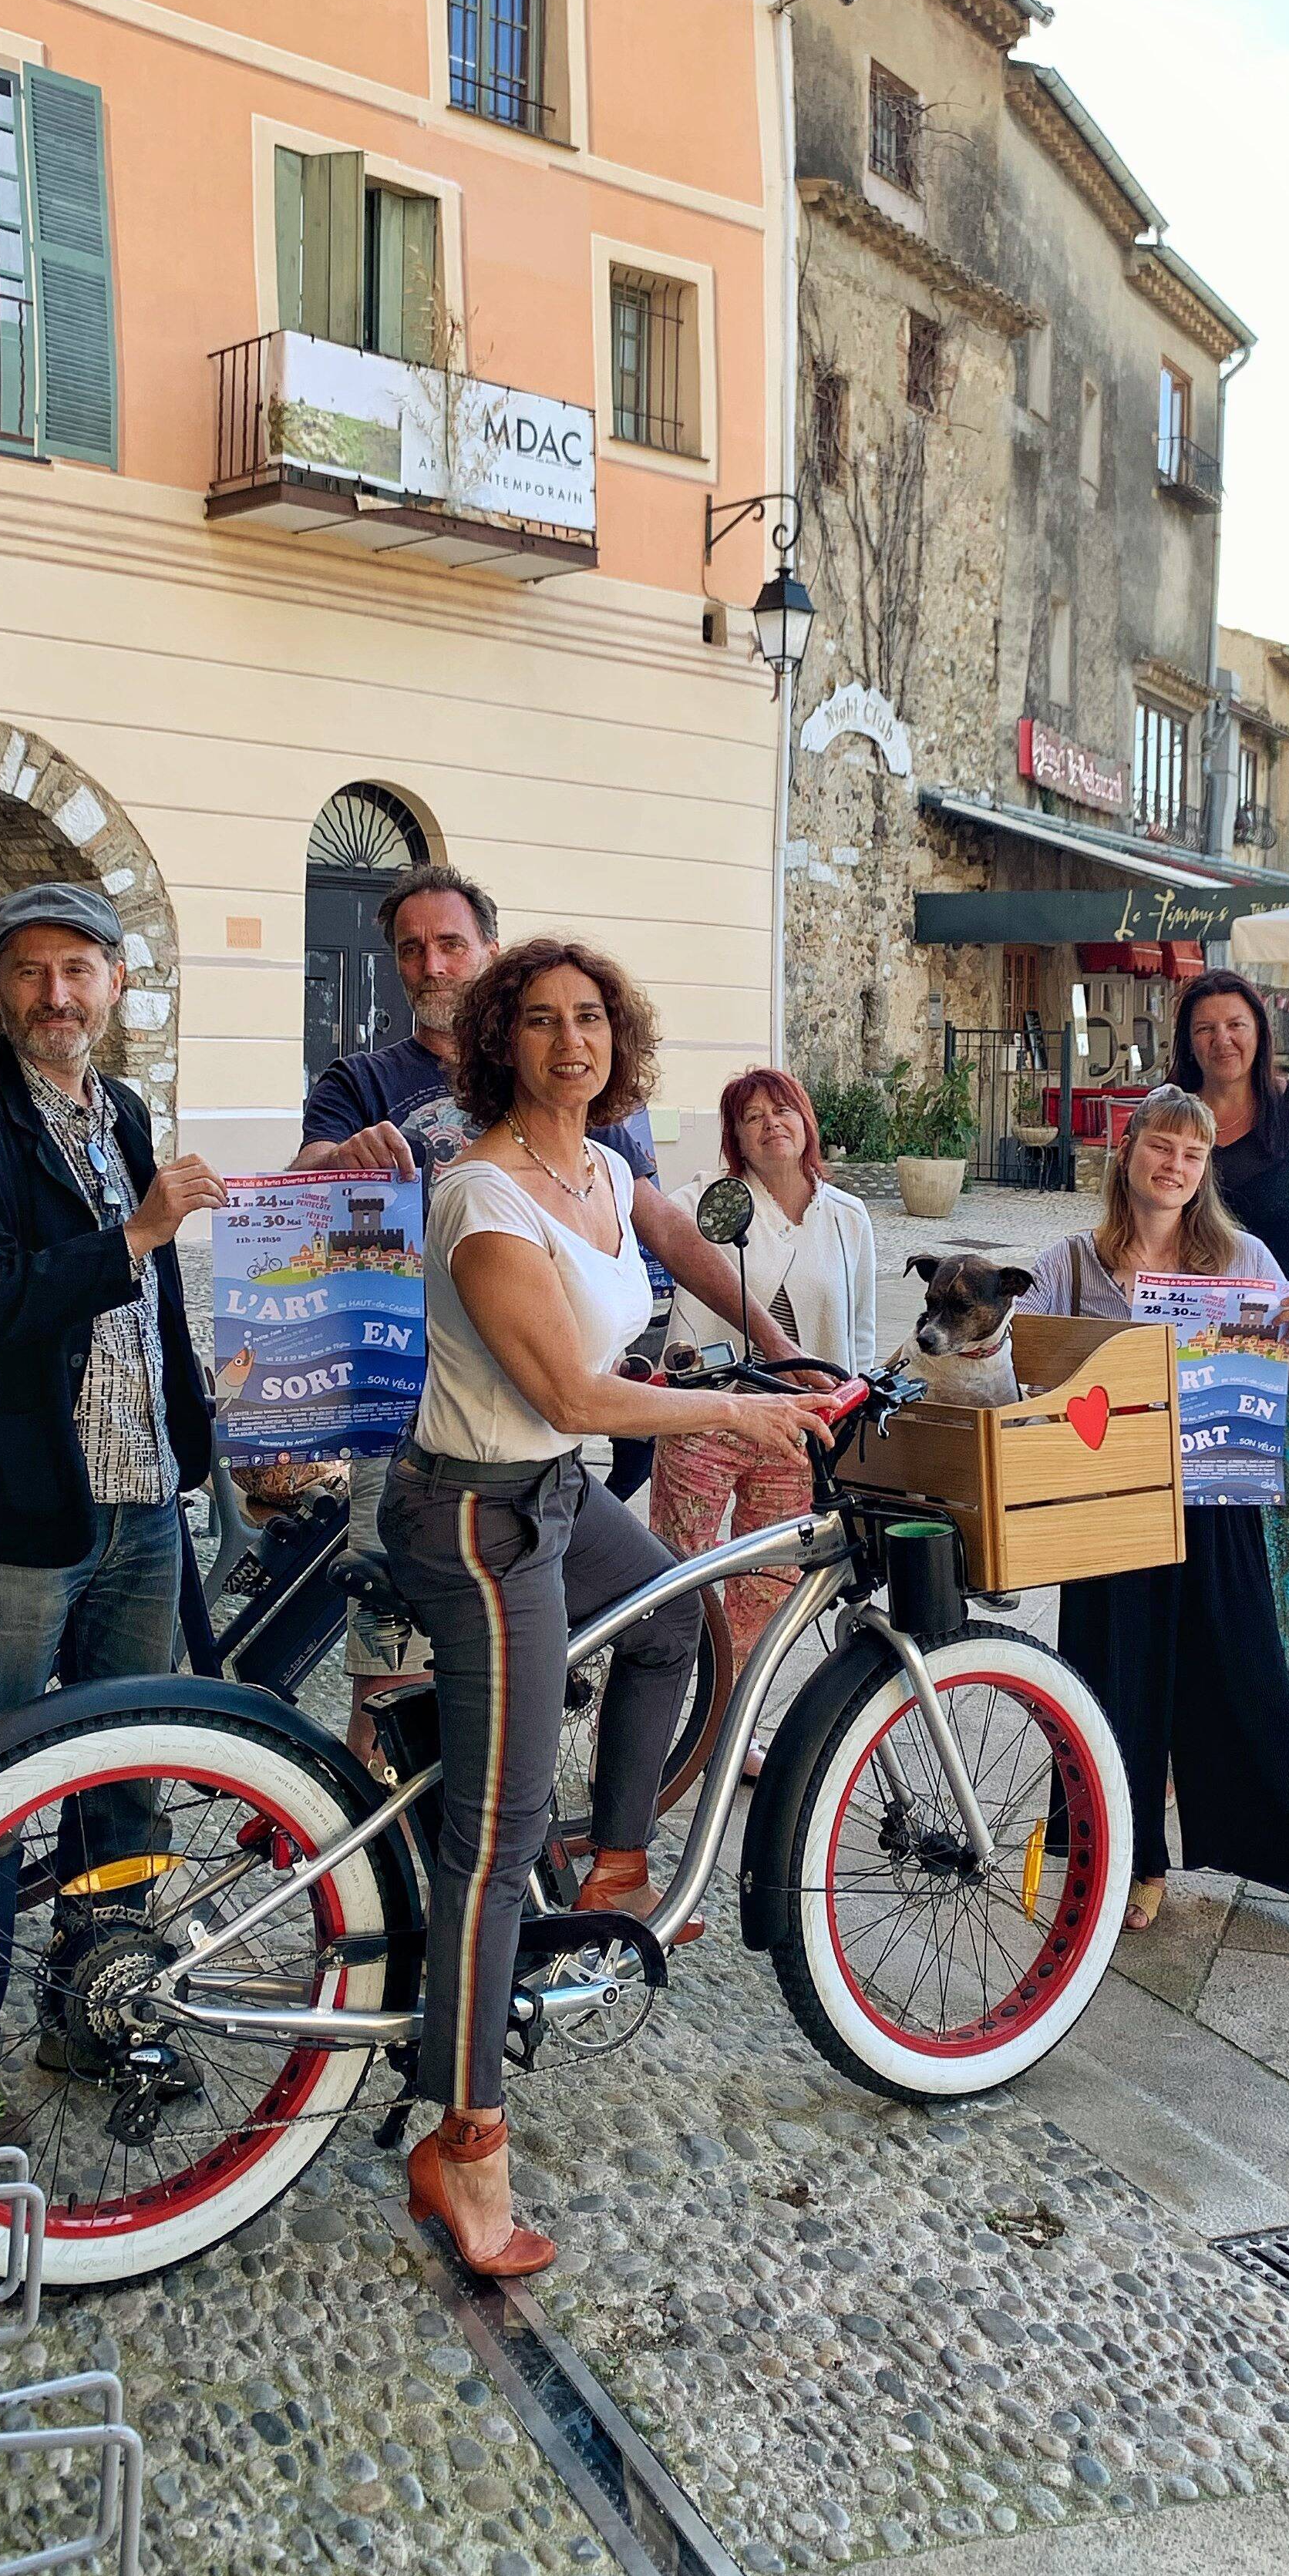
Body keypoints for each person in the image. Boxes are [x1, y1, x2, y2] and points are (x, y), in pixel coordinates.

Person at [379, 938, 830, 2275]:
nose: (569, 1040)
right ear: (499, 1044)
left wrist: (791, 1348)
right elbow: (573, 1396)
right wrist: (736, 1412)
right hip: (476, 1518)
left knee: (670, 1617)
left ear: (617, 1042)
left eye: (589, 1019)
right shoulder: (482, 1196)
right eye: (539, 1020)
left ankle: (620, 1866)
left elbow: (688, 1248)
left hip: (556, 1497)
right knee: (495, 1835)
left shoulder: (605, 1174)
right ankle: (464, 2144)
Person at [294, 859, 797, 1758]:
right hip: (405, 1406)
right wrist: (338, 1163)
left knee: (601, 1625)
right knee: (388, 1671)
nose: (432, 964)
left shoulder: (576, 1081)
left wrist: (776, 1344)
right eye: (411, 949)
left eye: (451, 943)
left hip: (534, 1427)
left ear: (490, 950)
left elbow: (665, 1227)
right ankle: (368, 1810)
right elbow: (290, 1193)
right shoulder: (363, 1080)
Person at [0, 884, 227, 2132]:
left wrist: (196, 1432)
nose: (55, 995)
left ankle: (93, 2015)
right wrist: (134, 1233)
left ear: (115, 984)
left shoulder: (121, 1111)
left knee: (124, 1778)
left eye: (78, 970)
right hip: (17, 1509)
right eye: (30, 972)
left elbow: (154, 1307)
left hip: (140, 1501)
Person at [1019, 1086, 1289, 1979]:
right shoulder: (1069, 1264)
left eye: (1193, 1154)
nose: (1175, 1165)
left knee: (1250, 1685)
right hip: (1108, 1507)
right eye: (1161, 1146)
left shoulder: (1243, 1258)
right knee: (1113, 1688)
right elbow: (1025, 1379)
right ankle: (1132, 1864)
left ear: (1206, 1168)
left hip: (1219, 1502)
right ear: (1127, 1150)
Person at [650, 1070, 875, 1665]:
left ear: (807, 1123)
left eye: (783, 1110)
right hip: (706, 1419)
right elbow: (649, 1219)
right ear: (736, 1140)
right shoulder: (707, 1202)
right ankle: (658, 1703)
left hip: (797, 1429)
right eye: (753, 1117)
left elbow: (860, 1329)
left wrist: (851, 1414)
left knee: (769, 1589)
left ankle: (731, 1708)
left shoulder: (848, 1216)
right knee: (674, 1577)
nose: (771, 1123)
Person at [1170, 969, 1289, 1673]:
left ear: (1260, 1033)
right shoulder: (1172, 1119)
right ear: (1188, 1041)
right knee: (1189, 1539)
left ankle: (1267, 1689)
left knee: (1267, 1541)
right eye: (1205, 1028)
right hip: (1184, 1358)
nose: (1222, 1040)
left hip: (1276, 1364)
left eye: (1235, 1025)